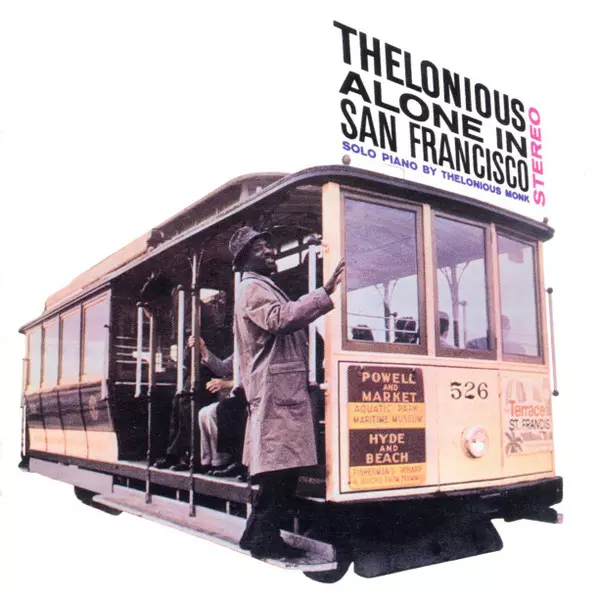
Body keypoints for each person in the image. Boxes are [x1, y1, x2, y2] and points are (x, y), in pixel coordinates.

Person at [229, 226, 344, 560]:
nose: (269, 251)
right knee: (280, 474)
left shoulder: (259, 286)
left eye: (268, 246)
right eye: (260, 248)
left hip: (279, 391)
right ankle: (264, 541)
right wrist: (324, 292)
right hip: (276, 393)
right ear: (245, 259)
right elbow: (280, 319)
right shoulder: (253, 288)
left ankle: (254, 536)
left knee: (279, 472)